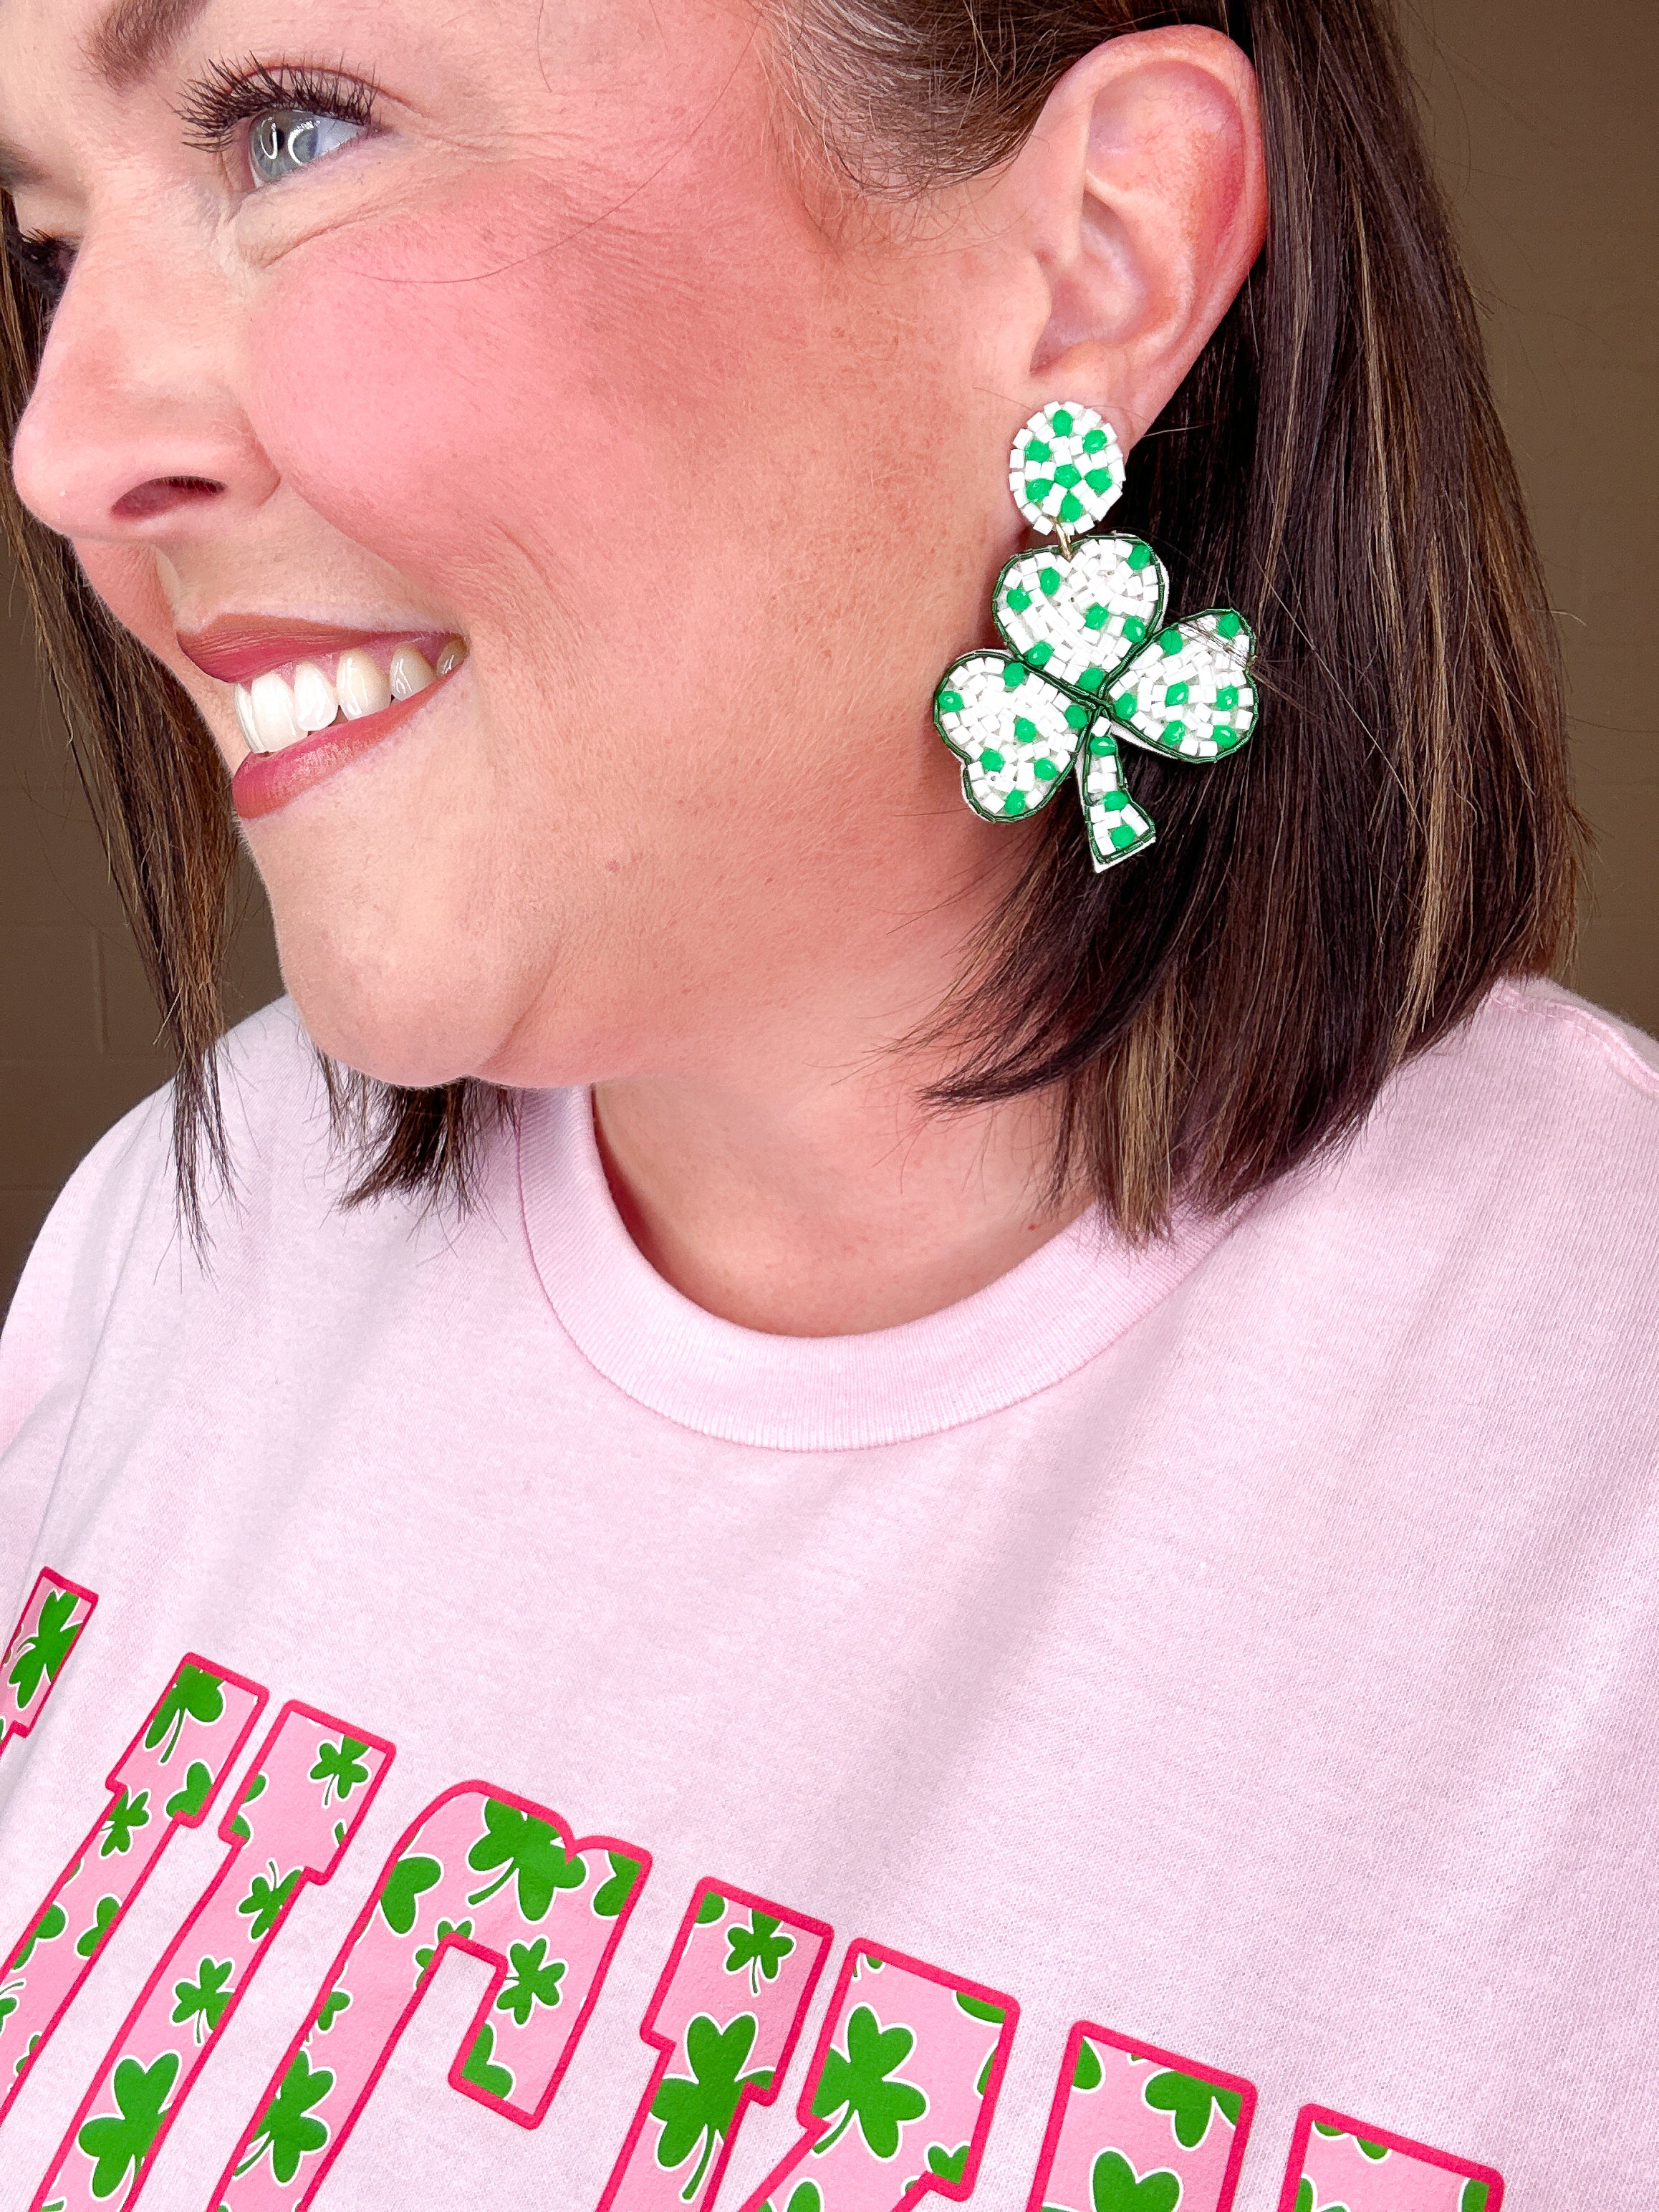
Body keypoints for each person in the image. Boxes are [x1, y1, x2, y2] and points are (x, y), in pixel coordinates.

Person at [0, 0, 1653, 2207]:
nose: (64, 448)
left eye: (293, 128)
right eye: (49, 243)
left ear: (1099, 257)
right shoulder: (186, 1234)